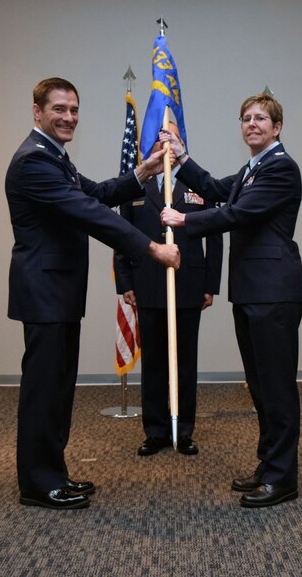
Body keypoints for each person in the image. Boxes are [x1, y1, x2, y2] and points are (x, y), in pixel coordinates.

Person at [5, 77, 180, 510]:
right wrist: (151, 246)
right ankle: (38, 484)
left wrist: (146, 170)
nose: (68, 118)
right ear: (37, 111)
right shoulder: (34, 161)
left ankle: (52, 473)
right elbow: (89, 213)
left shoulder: (55, 158)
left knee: (59, 389)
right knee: (44, 390)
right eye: (59, 109)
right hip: (44, 293)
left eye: (74, 110)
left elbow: (97, 194)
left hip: (58, 293)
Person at [160, 93, 302, 508]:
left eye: (261, 118)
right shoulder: (253, 168)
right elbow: (216, 190)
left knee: (276, 388)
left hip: (274, 292)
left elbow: (236, 214)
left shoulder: (281, 168)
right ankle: (269, 465)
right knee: (260, 387)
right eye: (246, 118)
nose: (252, 124)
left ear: (277, 127)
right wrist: (183, 159)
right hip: (252, 292)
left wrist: (185, 219)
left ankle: (283, 478)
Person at [114, 122, 223, 456]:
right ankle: (156, 431)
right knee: (155, 364)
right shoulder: (135, 188)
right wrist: (125, 283)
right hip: (146, 285)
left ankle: (184, 429)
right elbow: (121, 237)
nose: (165, 145)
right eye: (159, 140)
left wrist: (210, 285)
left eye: (170, 139)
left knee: (185, 361)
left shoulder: (199, 184)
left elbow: (215, 238)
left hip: (189, 285)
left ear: (180, 143)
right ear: (150, 145)